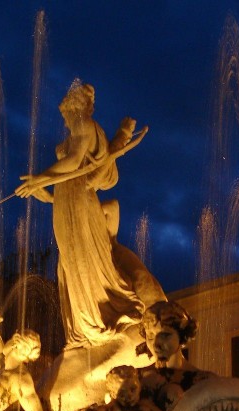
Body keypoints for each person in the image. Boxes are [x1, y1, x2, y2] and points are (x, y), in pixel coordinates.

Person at [15, 81, 150, 348]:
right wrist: (48, 194)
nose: (64, 115)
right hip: (68, 198)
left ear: (77, 107)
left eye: (67, 108)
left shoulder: (84, 125)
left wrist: (40, 180)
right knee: (71, 257)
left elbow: (75, 161)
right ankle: (84, 322)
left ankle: (96, 319)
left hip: (77, 196)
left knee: (80, 256)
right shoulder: (85, 127)